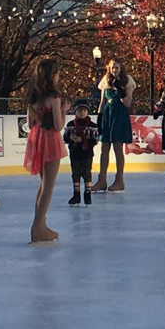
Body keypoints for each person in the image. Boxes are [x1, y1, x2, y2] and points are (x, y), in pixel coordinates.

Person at [23, 59, 69, 244]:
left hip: (37, 138)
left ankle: (40, 223)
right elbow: (58, 125)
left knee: (43, 184)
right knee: (49, 185)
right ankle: (38, 227)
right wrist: (64, 110)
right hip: (50, 139)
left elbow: (30, 123)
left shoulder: (32, 96)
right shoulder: (54, 97)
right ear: (52, 76)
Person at [91, 59, 136, 193]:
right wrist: (99, 118)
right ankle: (101, 180)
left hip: (119, 114)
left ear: (121, 68)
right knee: (104, 148)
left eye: (117, 68)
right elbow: (102, 101)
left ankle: (119, 180)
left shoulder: (127, 80)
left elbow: (128, 103)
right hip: (107, 114)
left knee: (117, 148)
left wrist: (120, 90)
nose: (114, 70)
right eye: (112, 68)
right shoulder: (106, 80)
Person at [63, 102, 98, 207]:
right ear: (75, 112)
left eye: (84, 110)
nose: (82, 112)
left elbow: (95, 140)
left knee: (87, 173)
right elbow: (65, 138)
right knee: (75, 174)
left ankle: (88, 195)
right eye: (79, 110)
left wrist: (82, 140)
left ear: (87, 112)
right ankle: (76, 195)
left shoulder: (93, 126)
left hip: (87, 154)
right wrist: (71, 139)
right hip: (74, 154)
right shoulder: (70, 125)